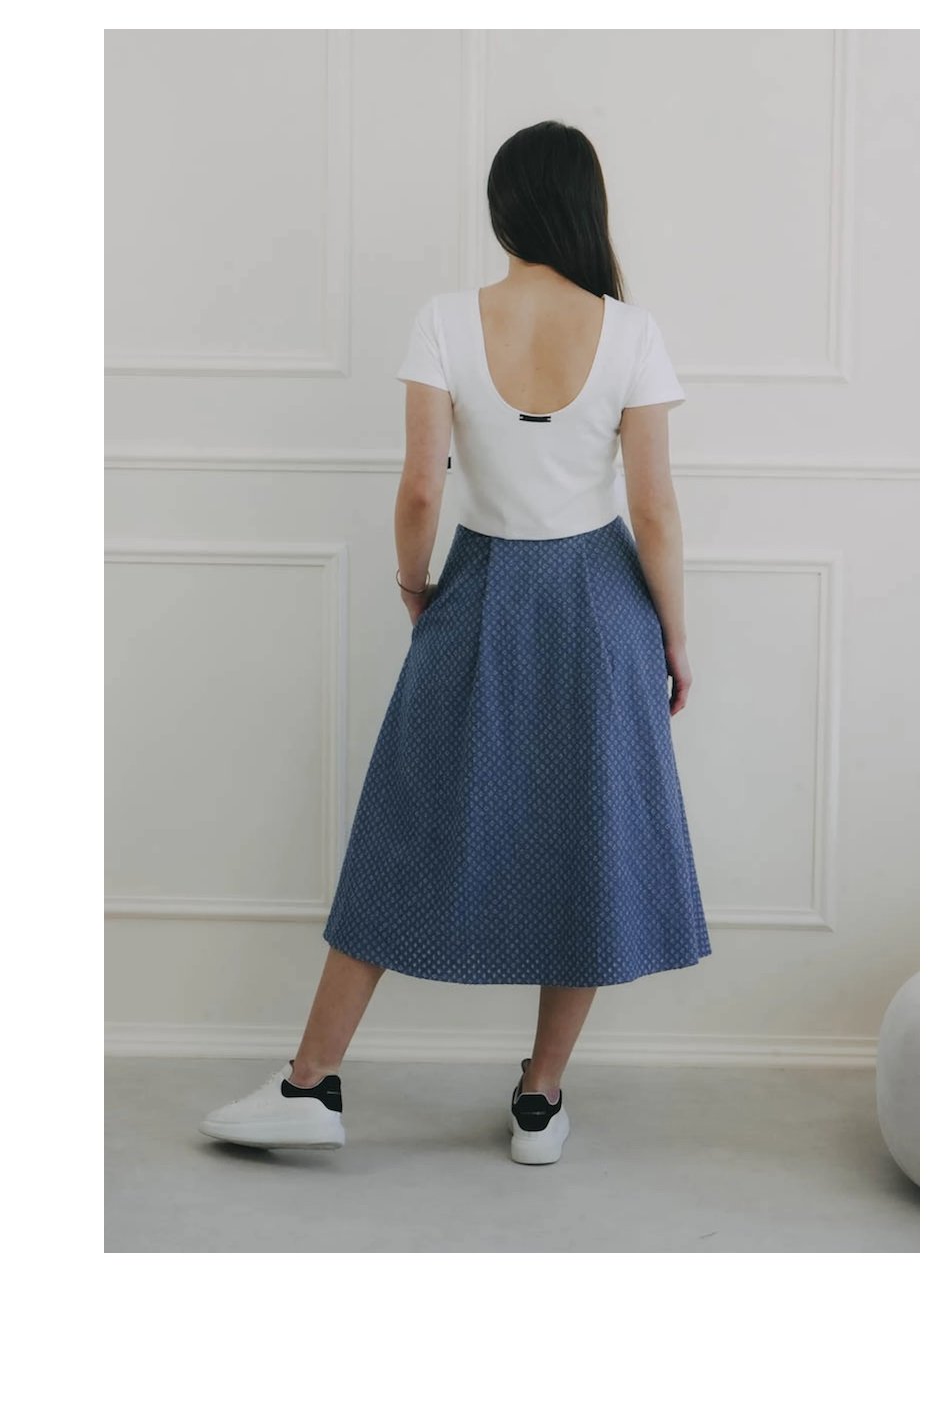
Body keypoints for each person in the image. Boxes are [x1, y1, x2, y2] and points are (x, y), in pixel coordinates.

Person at [199, 120, 711, 1165]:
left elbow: (420, 489)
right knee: (589, 838)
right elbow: (655, 509)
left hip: (478, 588)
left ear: (503, 210)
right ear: (586, 206)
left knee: (401, 824)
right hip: (603, 601)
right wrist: (675, 635)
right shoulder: (631, 332)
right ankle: (540, 1099)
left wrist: (413, 582)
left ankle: (310, 1082)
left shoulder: (444, 320)